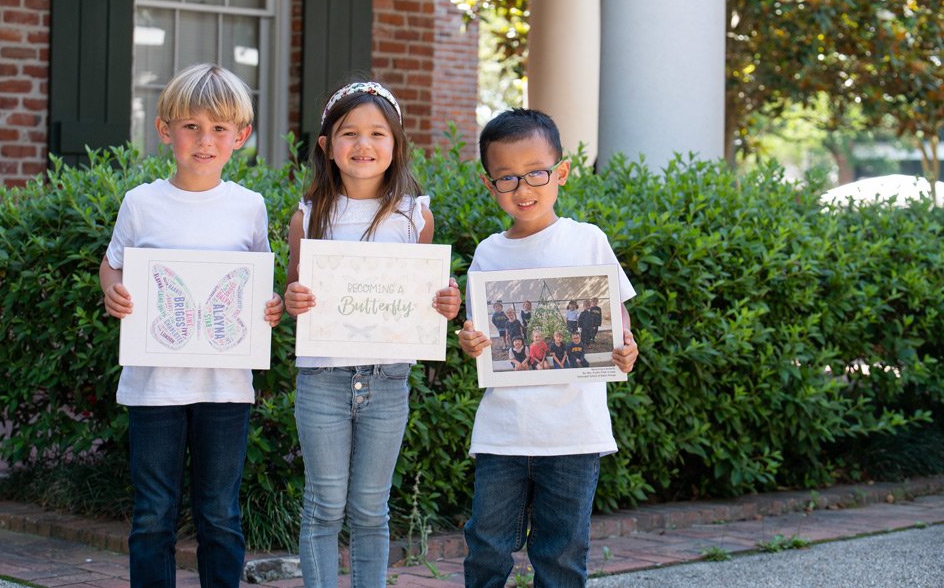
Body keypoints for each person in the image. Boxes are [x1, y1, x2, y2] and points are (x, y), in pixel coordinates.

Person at [100, 63, 285, 588]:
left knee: (220, 515)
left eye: (220, 129)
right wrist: (112, 290)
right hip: (153, 385)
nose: (205, 140)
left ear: (241, 136)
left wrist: (269, 305)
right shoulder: (141, 204)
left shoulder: (249, 207)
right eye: (191, 126)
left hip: (225, 387)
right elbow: (113, 263)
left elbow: (259, 281)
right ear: (165, 130)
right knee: (153, 514)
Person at [283, 80, 460, 588]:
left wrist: (445, 301)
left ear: (396, 143)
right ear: (326, 146)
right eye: (349, 133)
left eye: (378, 134)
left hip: (387, 380)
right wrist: (295, 298)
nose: (364, 145)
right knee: (324, 504)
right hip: (322, 378)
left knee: (369, 508)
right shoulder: (309, 214)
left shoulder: (413, 216)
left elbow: (425, 296)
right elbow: (296, 289)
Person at [457, 108, 639, 588]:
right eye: (507, 178)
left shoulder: (587, 240)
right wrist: (470, 340)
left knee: (561, 556)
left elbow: (618, 320)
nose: (523, 188)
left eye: (536, 173)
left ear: (561, 172)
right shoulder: (489, 252)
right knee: (487, 550)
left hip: (575, 432)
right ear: (488, 183)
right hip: (503, 432)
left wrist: (625, 349)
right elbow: (479, 333)